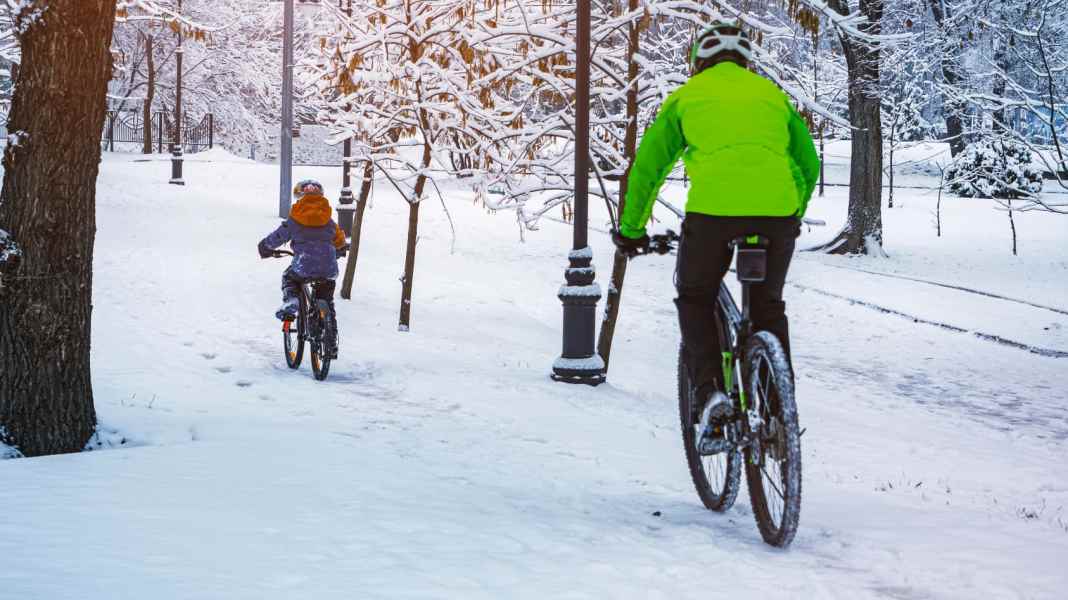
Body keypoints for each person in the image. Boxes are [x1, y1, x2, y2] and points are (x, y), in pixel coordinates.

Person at [611, 21, 820, 426]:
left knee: (696, 296)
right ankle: (778, 413)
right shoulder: (772, 96)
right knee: (768, 308)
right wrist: (793, 211)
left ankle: (710, 394)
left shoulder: (687, 97)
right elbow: (807, 163)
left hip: (713, 217)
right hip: (776, 217)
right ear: (745, 61)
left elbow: (648, 170)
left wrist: (632, 230)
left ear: (698, 62)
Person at [258, 179, 348, 357]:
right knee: (327, 299)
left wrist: (265, 246)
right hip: (328, 267)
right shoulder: (328, 219)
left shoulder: (296, 217)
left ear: (300, 197)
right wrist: (339, 249)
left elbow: (279, 236)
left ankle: (292, 300)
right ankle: (330, 340)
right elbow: (339, 240)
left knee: (289, 277)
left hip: (303, 265)